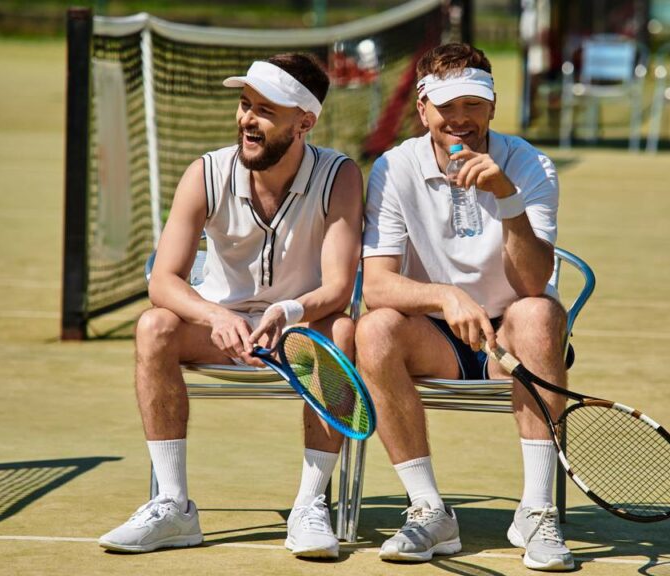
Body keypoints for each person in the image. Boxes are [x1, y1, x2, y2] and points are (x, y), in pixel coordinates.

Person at [99, 53, 363, 560]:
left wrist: (285, 313)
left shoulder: (341, 176)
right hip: (218, 329)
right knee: (154, 326)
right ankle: (173, 505)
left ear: (304, 122)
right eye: (245, 105)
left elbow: (338, 287)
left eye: (265, 110)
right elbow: (163, 280)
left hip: (297, 333)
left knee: (344, 331)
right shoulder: (205, 172)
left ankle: (310, 506)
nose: (247, 119)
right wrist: (213, 315)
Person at [356, 43, 574, 571]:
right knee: (374, 330)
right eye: (448, 107)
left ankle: (538, 512)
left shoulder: (528, 162)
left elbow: (533, 281)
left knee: (541, 313)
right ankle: (430, 510)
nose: (460, 119)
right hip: (433, 338)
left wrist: (508, 197)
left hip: (510, 337)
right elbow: (376, 287)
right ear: (423, 109)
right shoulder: (393, 167)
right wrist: (445, 297)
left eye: (473, 105)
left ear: (493, 107)